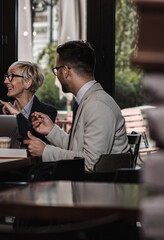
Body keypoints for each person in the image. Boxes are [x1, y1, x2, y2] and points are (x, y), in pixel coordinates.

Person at [24, 41, 130, 172]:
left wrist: (45, 151)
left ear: (66, 71)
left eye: (57, 70)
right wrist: (51, 130)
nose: (56, 75)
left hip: (97, 189)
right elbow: (76, 150)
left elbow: (90, 163)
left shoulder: (97, 105)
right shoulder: (89, 100)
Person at [0, 61, 57, 143]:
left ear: (27, 83)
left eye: (11, 76)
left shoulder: (47, 111)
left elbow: (36, 141)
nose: (6, 81)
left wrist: (17, 114)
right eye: (7, 76)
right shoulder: (0, 109)